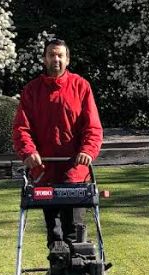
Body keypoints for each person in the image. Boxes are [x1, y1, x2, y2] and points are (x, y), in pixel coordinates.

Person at [12, 38, 103, 247]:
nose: (56, 59)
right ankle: (57, 261)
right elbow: (21, 128)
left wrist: (87, 151)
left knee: (75, 230)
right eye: (51, 55)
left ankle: (78, 262)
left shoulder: (81, 86)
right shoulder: (32, 90)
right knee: (54, 232)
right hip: (45, 172)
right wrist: (28, 152)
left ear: (67, 60)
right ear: (44, 59)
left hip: (75, 171)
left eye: (60, 55)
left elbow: (93, 126)